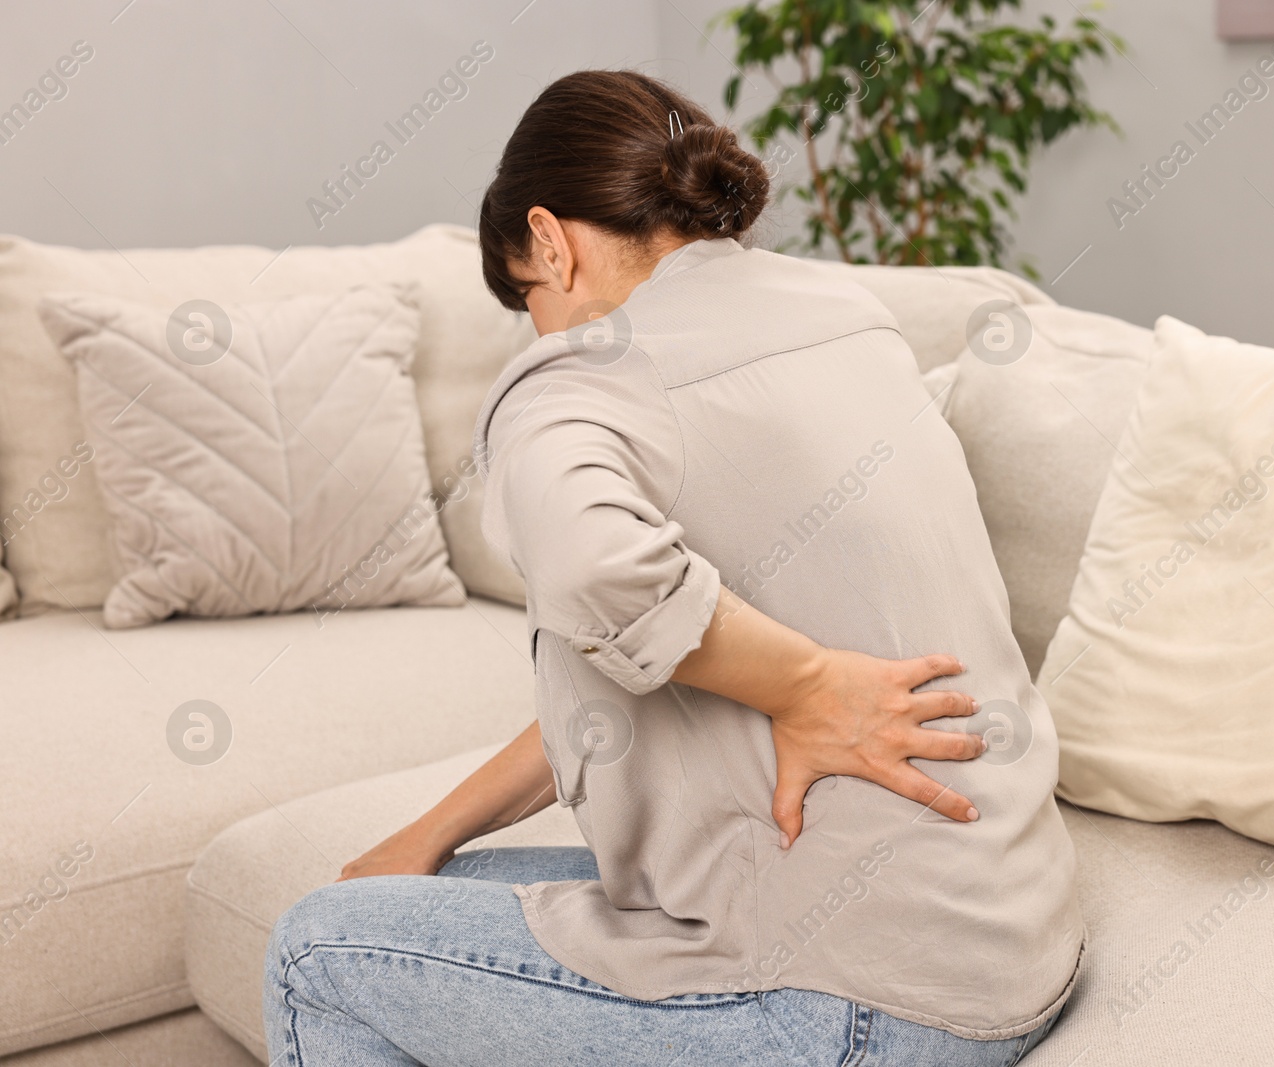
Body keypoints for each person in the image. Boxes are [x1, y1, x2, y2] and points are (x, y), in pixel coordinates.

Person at [263, 69, 1083, 1067]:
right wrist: (428, 834)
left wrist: (812, 684)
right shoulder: (846, 311)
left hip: (857, 1001)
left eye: (528, 295)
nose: (539, 324)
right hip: (1011, 942)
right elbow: (626, 646)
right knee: (405, 898)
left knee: (317, 949)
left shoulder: (581, 375)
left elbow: (602, 575)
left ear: (551, 241)